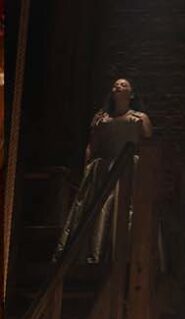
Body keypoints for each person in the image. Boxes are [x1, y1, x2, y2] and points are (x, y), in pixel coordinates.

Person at [56, 77, 152, 263]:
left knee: (127, 207)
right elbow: (92, 145)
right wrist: (87, 167)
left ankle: (126, 254)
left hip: (129, 170)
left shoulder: (140, 119)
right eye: (116, 84)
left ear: (131, 94)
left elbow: (149, 144)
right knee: (99, 207)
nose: (118, 86)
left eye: (123, 84)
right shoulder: (102, 118)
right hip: (104, 170)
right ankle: (92, 253)